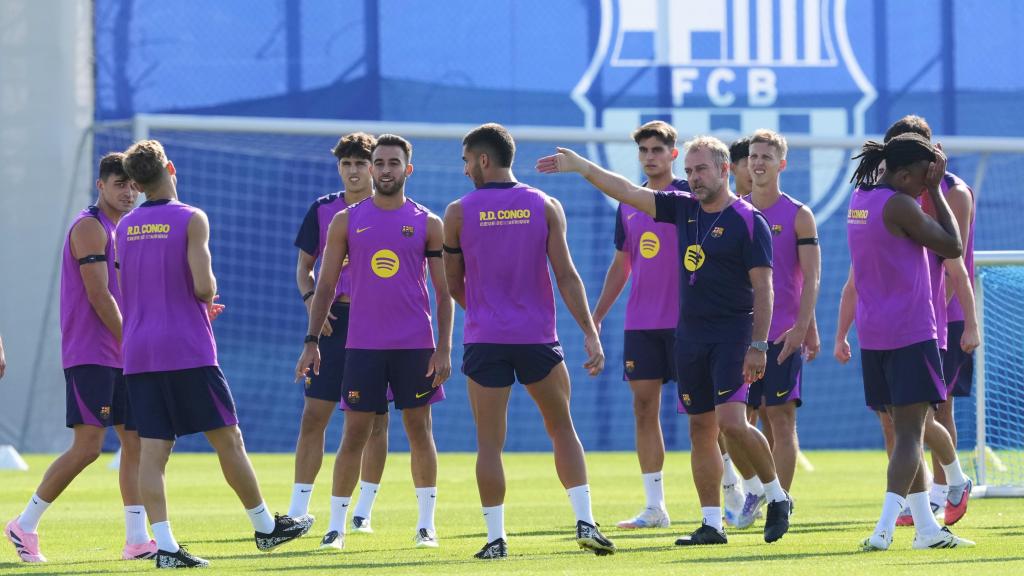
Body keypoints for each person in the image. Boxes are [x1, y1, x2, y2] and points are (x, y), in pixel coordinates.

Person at [538, 135, 792, 547]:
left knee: (732, 423)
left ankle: (777, 496)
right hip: (688, 336)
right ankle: (712, 524)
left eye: (701, 169)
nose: (693, 178)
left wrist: (758, 344)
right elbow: (627, 191)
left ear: (725, 170)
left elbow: (764, 289)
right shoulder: (683, 210)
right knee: (700, 430)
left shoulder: (749, 219)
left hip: (733, 337)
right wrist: (584, 168)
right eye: (689, 171)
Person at [117, 140, 312, 568]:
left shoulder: (124, 227)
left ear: (135, 182)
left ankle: (165, 547)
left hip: (138, 350)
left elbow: (139, 286)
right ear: (169, 167)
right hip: (186, 347)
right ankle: (265, 527)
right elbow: (204, 286)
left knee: (153, 452)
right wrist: (205, 298)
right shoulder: (191, 217)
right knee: (228, 438)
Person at [446, 123, 615, 559]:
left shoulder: (458, 212)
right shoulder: (544, 204)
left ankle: (496, 539)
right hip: (538, 337)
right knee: (562, 429)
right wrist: (591, 332)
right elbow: (567, 276)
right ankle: (586, 522)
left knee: (489, 443)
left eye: (467, 161)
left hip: (485, 340)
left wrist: (486, 313)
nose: (465, 170)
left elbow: (453, 285)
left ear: (484, 160)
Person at [295, 134, 451, 552]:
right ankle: (336, 527)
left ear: (407, 169)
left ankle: (425, 525)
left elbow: (443, 292)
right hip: (361, 346)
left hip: (416, 346)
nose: (384, 170)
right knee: (354, 434)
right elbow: (324, 284)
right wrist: (312, 341)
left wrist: (444, 348)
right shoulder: (346, 220)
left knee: (420, 432)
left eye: (392, 163)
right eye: (378, 163)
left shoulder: (428, 222)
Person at [5, 153, 157, 564]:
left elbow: (131, 292)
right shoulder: (90, 226)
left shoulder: (124, 228)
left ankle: (137, 540)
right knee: (89, 447)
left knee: (135, 444)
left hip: (123, 353)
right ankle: (24, 524)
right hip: (93, 353)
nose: (128, 193)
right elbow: (98, 294)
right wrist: (132, 340)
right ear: (101, 185)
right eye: (119, 184)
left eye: (132, 186)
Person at [842, 133, 973, 551]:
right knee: (911, 436)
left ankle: (927, 530)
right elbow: (953, 245)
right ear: (901, 174)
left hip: (875, 334)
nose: (924, 185)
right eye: (920, 177)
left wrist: (927, 182)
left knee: (903, 435)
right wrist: (937, 188)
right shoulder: (901, 203)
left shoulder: (860, 200)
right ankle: (882, 529)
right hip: (911, 332)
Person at [289, 132, 391, 533]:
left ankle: (363, 511)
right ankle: (298, 511)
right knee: (314, 415)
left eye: (360, 163)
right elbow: (303, 269)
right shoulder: (323, 210)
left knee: (375, 422)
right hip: (333, 324)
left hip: (377, 325)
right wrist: (313, 302)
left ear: (374, 167)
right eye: (345, 164)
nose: (353, 171)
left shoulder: (389, 210)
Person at [590, 121, 688, 530]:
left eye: (657, 150)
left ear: (673, 154)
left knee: (708, 414)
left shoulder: (689, 196)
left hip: (689, 324)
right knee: (644, 408)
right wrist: (594, 318)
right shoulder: (627, 204)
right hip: (642, 323)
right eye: (644, 150)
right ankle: (655, 507)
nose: (650, 157)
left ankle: (735, 490)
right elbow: (621, 265)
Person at [733, 130, 821, 528]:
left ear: (781, 164)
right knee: (735, 422)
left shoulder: (799, 214)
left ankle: (778, 505)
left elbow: (809, 278)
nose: (759, 163)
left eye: (767, 156)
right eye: (753, 156)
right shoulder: (735, 210)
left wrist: (805, 327)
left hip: (783, 334)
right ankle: (756, 487)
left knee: (780, 419)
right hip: (739, 335)